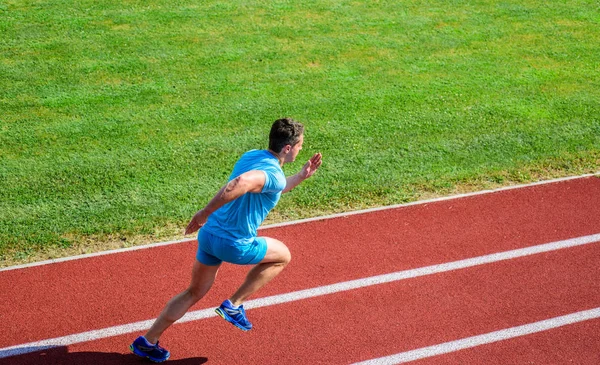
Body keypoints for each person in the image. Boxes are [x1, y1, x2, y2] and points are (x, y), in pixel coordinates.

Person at [130, 118, 323, 362]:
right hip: (233, 244)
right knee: (283, 255)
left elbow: (271, 186)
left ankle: (148, 341)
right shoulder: (273, 173)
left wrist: (301, 176)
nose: (301, 149)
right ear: (287, 147)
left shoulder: (253, 155)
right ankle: (234, 304)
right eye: (300, 145)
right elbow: (242, 183)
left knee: (193, 292)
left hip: (210, 236)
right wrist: (203, 212)